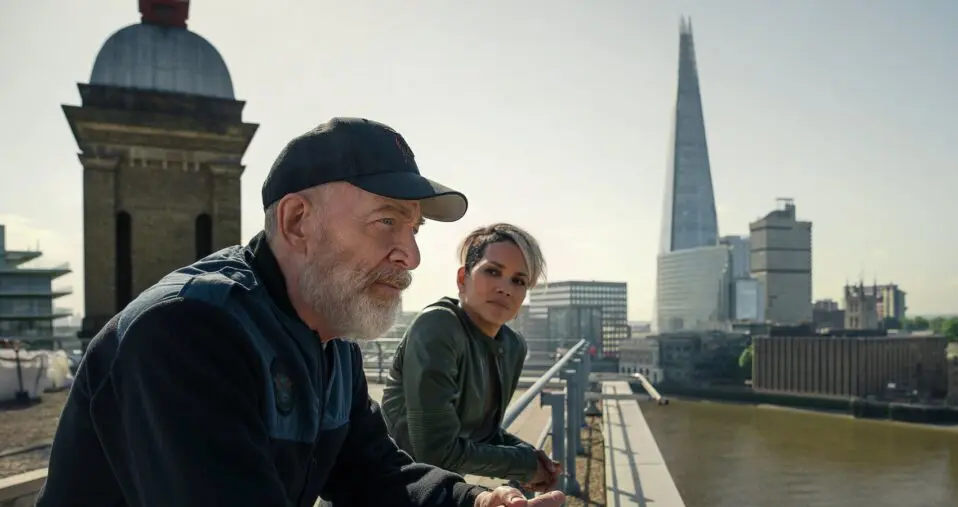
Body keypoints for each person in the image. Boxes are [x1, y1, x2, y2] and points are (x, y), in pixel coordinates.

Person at [37, 118, 564, 507]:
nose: (411, 255)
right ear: (296, 222)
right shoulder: (187, 332)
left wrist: (475, 502)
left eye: (414, 230)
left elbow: (372, 471)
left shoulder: (330, 337)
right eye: (386, 222)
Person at [381, 223, 562, 492]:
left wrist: (533, 458)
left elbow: (484, 434)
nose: (505, 288)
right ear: (462, 278)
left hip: (438, 490)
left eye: (519, 280)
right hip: (383, 486)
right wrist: (524, 464)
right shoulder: (437, 326)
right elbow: (436, 453)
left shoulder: (512, 347)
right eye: (492, 271)